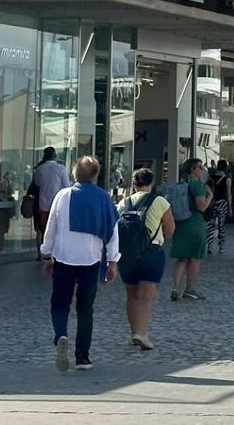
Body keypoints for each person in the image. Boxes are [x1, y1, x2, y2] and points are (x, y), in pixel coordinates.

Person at [40, 156, 120, 372]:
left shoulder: (63, 196)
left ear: (75, 174)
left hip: (64, 258)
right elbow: (112, 231)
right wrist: (113, 261)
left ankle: (61, 335)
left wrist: (47, 256)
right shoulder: (104, 198)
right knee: (86, 309)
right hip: (90, 260)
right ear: (95, 175)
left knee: (59, 303)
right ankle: (83, 357)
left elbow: (51, 228)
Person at [117, 168, 174, 351]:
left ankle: (134, 331)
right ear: (152, 183)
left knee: (131, 295)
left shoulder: (123, 203)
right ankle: (141, 334)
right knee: (146, 297)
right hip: (151, 252)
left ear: (134, 185)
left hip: (126, 255)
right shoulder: (159, 201)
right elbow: (170, 228)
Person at [166, 158, 213, 301]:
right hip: (195, 224)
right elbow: (202, 206)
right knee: (195, 258)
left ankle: (175, 288)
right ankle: (190, 289)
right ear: (193, 169)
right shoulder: (197, 185)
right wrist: (210, 196)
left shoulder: (181, 184)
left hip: (180, 224)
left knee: (182, 258)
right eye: (200, 166)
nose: (202, 169)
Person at [31, 147, 72, 250]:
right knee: (56, 231)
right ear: (55, 156)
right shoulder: (61, 168)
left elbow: (37, 184)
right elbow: (67, 187)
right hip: (58, 205)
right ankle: (54, 253)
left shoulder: (39, 169)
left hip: (43, 204)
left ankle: (41, 255)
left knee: (41, 230)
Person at [207, 162, 232, 253]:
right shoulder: (227, 179)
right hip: (222, 203)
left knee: (210, 224)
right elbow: (229, 194)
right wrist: (230, 207)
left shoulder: (210, 178)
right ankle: (221, 245)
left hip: (211, 202)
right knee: (221, 225)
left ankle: (209, 245)